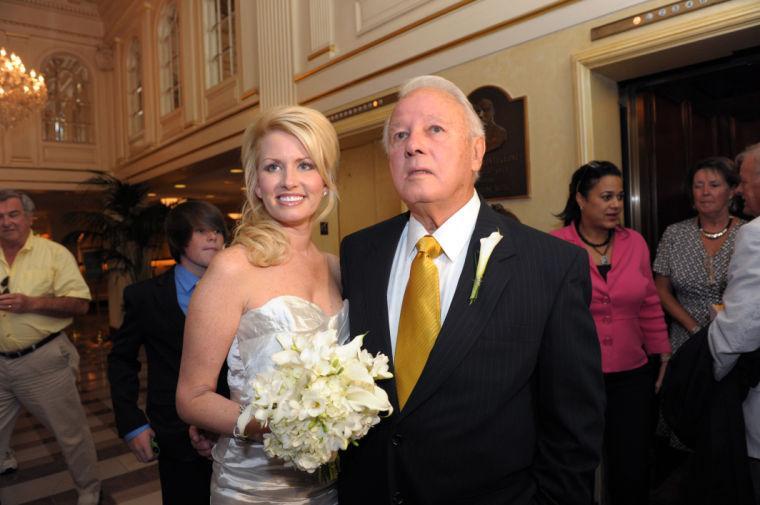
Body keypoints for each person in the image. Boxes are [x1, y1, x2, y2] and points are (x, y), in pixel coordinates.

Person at [338, 75, 605, 505]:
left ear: (476, 151)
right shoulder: (359, 252)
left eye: (434, 130)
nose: (412, 145)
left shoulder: (550, 265)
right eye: (400, 135)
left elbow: (574, 429)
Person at [176, 106, 344, 505]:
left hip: (335, 484)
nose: (289, 181)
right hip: (255, 489)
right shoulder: (233, 267)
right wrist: (276, 426)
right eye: (273, 167)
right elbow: (192, 396)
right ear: (256, 185)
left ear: (326, 180)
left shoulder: (338, 268)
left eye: (305, 165)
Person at [551, 161, 671, 505]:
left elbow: (649, 301)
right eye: (606, 196)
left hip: (633, 374)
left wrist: (662, 351)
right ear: (581, 199)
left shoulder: (635, 242)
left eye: (619, 196)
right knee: (575, 463)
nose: (616, 204)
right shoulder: (556, 246)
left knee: (631, 465)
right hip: (577, 375)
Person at [107, 200, 229, 505]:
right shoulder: (145, 296)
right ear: (178, 240)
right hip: (174, 431)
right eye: (202, 231)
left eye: (217, 230)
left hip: (234, 425)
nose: (213, 237)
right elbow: (122, 360)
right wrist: (131, 420)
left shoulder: (239, 289)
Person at [651, 157, 744, 497]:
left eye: (714, 185)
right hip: (686, 341)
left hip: (736, 345)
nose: (705, 192)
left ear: (733, 191)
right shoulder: (675, 234)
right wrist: (693, 328)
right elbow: (660, 288)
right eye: (698, 185)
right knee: (686, 431)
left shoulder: (749, 233)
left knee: (727, 430)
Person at [0, 190, 101, 505]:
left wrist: (32, 303)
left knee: (71, 435)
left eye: (13, 214)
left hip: (43, 362)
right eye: (0, 217)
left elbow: (80, 305)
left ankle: (88, 489)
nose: (6, 222)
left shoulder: (54, 254)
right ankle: (5, 458)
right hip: (0, 365)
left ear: (29, 218)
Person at [709, 142, 760, 504]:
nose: (738, 191)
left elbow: (740, 328)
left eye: (741, 182)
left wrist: (712, 367)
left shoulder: (755, 234)